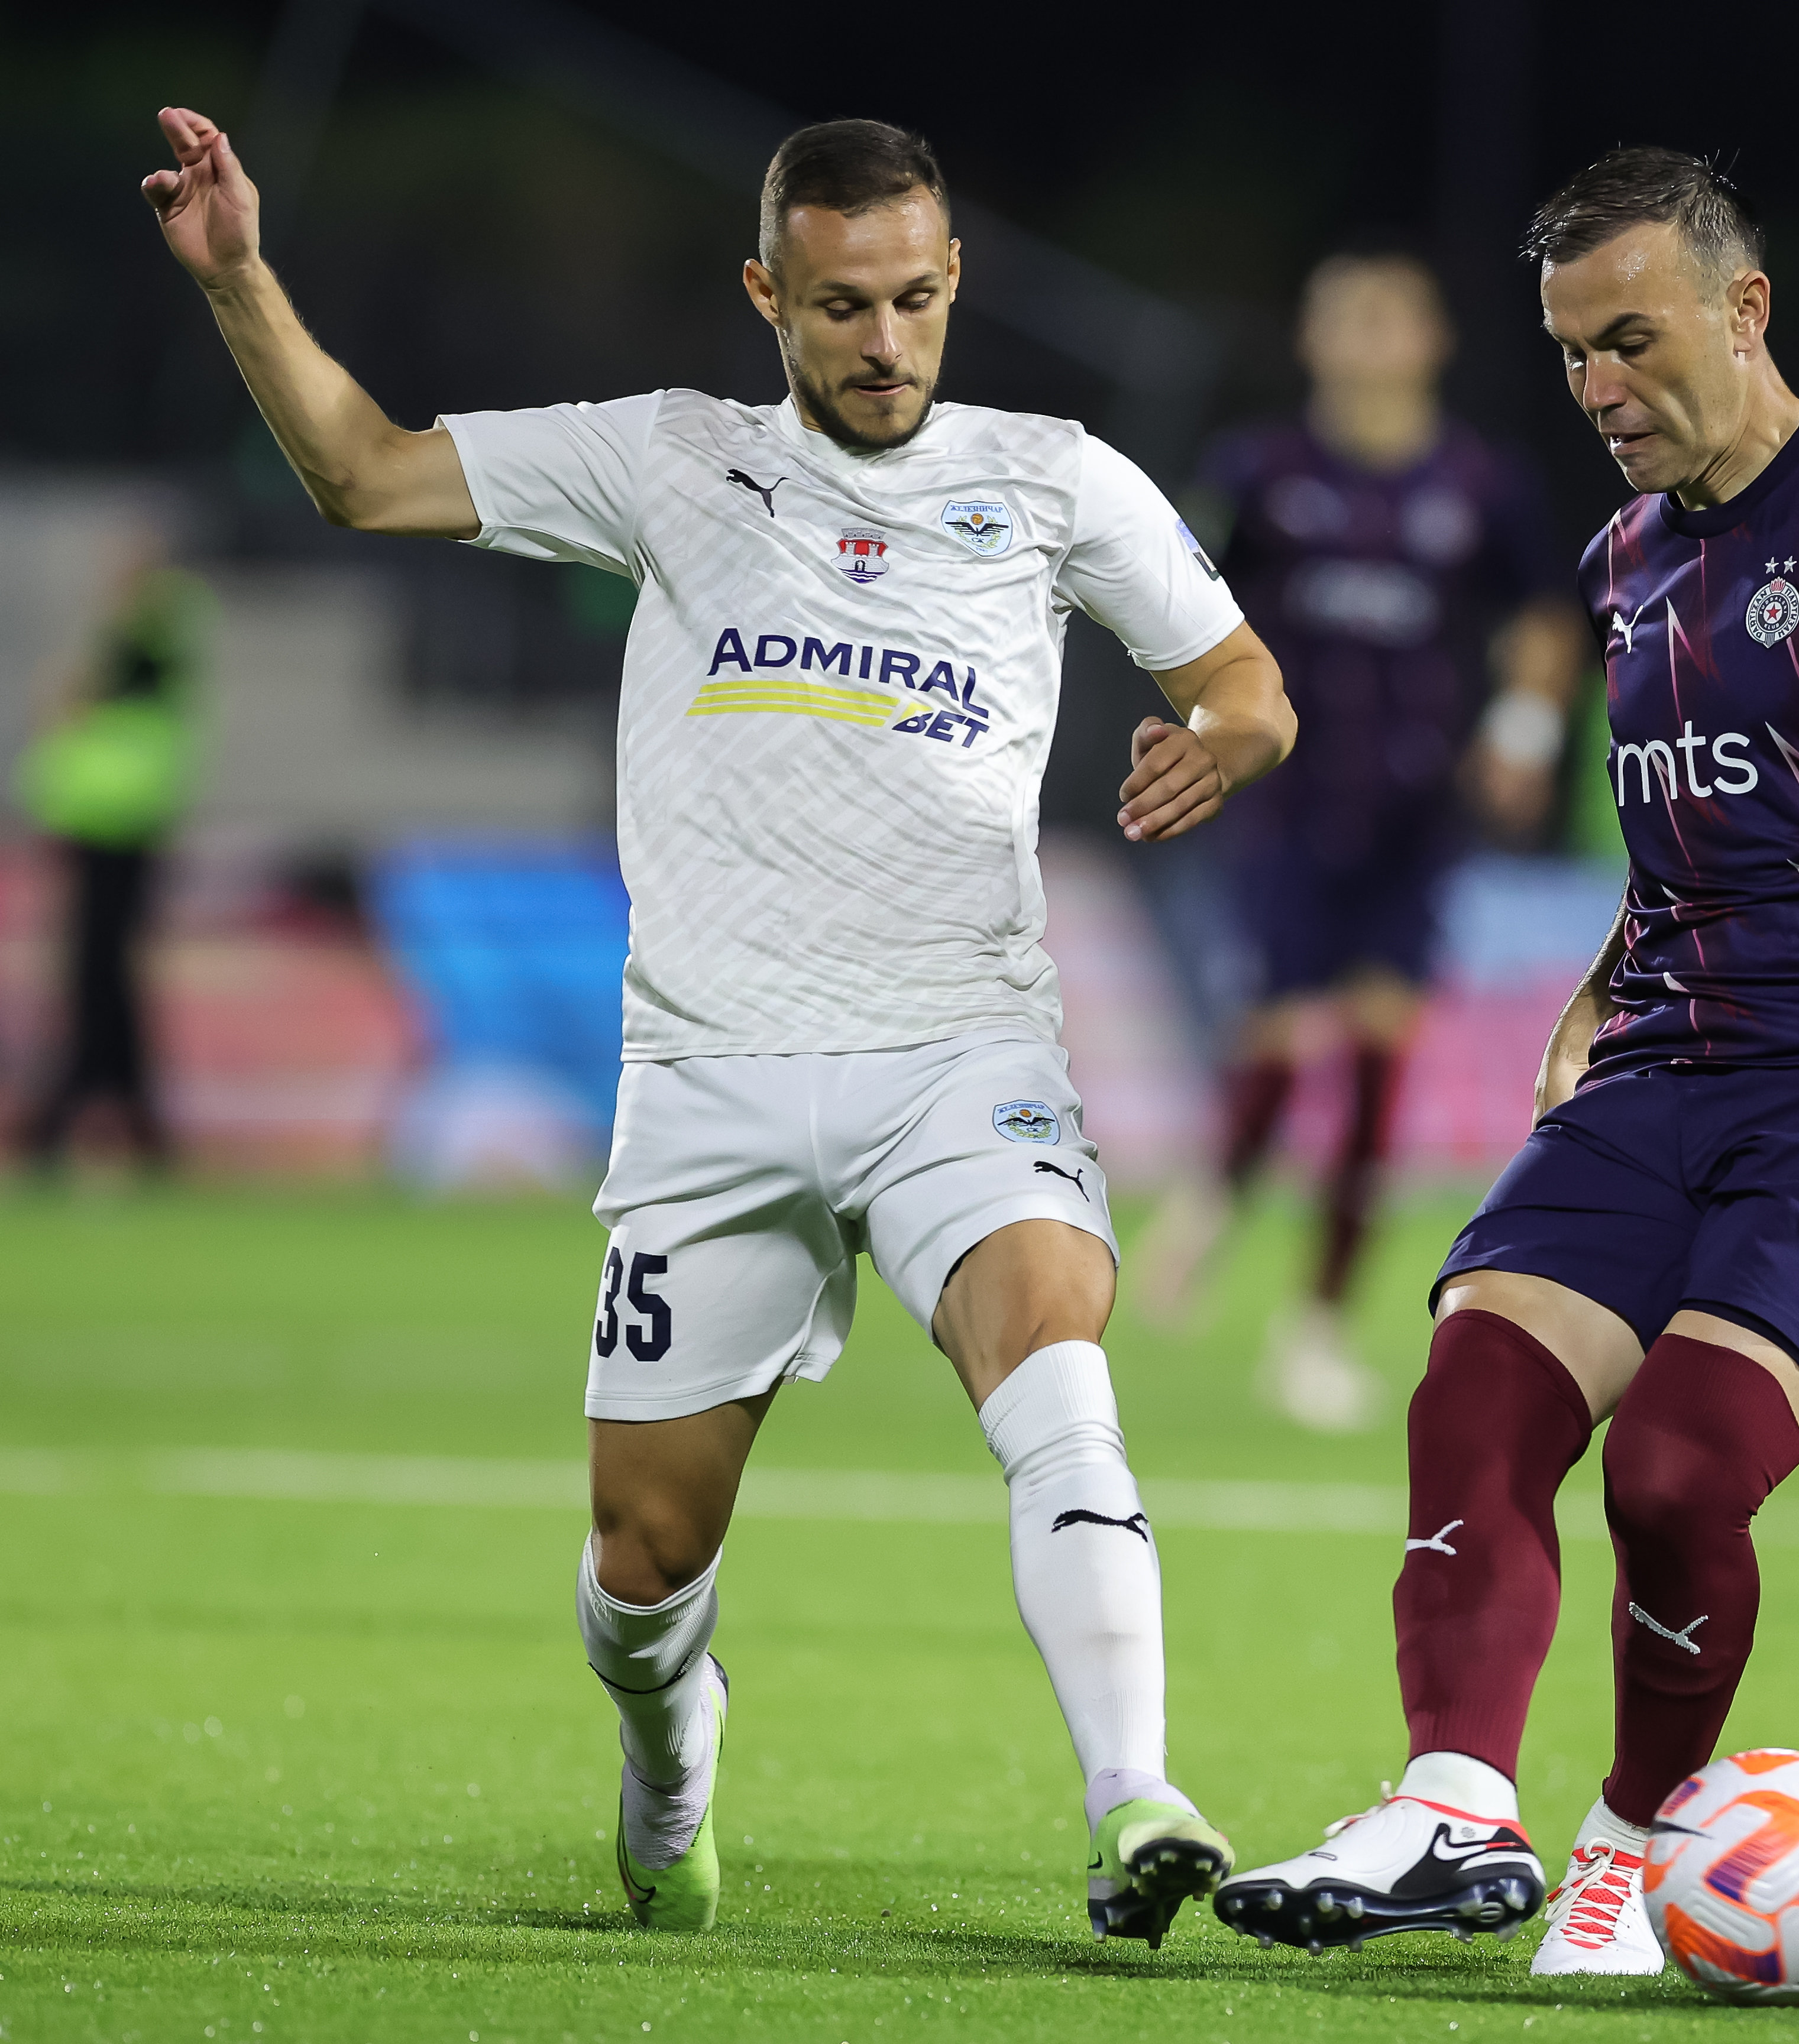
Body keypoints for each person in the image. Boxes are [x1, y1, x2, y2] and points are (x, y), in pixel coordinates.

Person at [143, 107, 1295, 1942]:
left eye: (915, 299)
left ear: (951, 283)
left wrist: (1214, 745)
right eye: (842, 305)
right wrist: (239, 283)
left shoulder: (1054, 476)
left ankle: (1130, 1797)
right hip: (713, 1080)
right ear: (769, 291)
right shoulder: (668, 461)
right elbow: (362, 473)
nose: (885, 342)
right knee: (640, 1564)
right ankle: (672, 1754)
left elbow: (1244, 684)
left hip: (959, 1053)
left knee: (1059, 1381)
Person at [1214, 149, 1799, 1977]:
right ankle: (1451, 1802)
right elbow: (1700, 828)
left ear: (1742, 308)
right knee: (1471, 1392)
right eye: (1567, 355)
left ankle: (1630, 1848)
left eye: (1629, 342)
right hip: (1660, 1060)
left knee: (1676, 1472)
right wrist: (1593, 984)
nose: (1597, 390)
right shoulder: (1619, 559)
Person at [1137, 252, 1580, 1433]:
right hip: (1287, 796)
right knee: (1280, 1039)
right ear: (1312, 339)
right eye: (1349, 319)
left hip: (1416, 806)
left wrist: (1525, 733)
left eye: (1392, 319)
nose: (1371, 340)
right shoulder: (1260, 472)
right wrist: (1204, 728)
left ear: (1432, 340)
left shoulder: (1483, 483)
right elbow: (1176, 596)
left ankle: (1316, 1330)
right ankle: (1216, 1195)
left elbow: (1544, 615)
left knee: (1383, 1048)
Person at [15, 548, 212, 1171]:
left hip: (117, 822)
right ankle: (116, 1110)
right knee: (101, 978)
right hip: (104, 822)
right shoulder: (144, 644)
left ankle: (80, 1112)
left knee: (98, 978)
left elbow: (75, 699)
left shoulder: (150, 639)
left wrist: (65, 698)